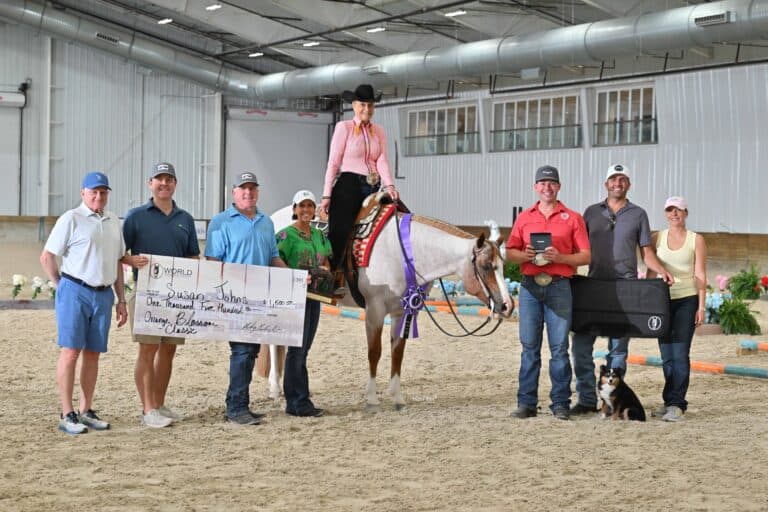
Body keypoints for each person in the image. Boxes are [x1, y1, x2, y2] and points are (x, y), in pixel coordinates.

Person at [570, 164, 673, 416]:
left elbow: (646, 253)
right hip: (594, 288)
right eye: (613, 179)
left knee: (618, 350)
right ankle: (585, 398)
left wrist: (661, 270)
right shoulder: (591, 213)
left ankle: (611, 402)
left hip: (625, 291)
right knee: (581, 346)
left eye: (623, 179)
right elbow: (579, 248)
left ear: (628, 184)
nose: (618, 183)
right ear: (606, 184)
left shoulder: (639, 214)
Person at [40, 171, 128, 435]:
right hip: (75, 290)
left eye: (103, 192)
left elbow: (117, 261)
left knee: (93, 353)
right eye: (94, 192)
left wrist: (121, 299)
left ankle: (86, 409)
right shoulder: (71, 218)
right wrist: (62, 287)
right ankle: (67, 412)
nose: (98, 197)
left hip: (103, 294)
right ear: (83, 193)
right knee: (70, 351)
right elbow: (47, 257)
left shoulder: (113, 221)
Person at [505, 165, 591, 420]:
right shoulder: (524, 218)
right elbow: (510, 252)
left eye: (551, 183)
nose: (547, 187)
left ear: (559, 187)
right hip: (530, 286)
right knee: (529, 347)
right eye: (542, 183)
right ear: (535, 187)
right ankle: (526, 403)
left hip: (559, 286)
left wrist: (561, 256)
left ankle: (561, 403)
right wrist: (525, 255)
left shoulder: (573, 217)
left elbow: (586, 255)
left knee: (559, 347)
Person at [205, 172, 288, 425]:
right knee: (241, 351)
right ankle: (236, 407)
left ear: (257, 192)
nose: (248, 193)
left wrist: (293, 278)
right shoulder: (221, 222)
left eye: (252, 188)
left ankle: (240, 403)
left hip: (259, 298)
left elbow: (273, 257)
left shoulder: (266, 222)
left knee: (250, 351)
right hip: (234, 298)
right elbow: (213, 261)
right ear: (234, 192)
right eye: (243, 188)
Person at [122, 163, 201, 428]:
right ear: (150, 183)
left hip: (176, 296)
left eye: (169, 179)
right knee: (147, 349)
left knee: (168, 350)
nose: (164, 184)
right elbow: (120, 253)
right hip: (146, 293)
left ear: (175, 184)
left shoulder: (185, 219)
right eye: (159, 179)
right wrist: (130, 261)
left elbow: (192, 255)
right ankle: (148, 410)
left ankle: (159, 402)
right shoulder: (135, 217)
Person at [320, 83, 399, 273]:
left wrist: (390, 186)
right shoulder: (343, 127)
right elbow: (333, 162)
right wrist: (326, 195)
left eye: (370, 105)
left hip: (373, 186)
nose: (367, 109)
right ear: (354, 105)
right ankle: (331, 274)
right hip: (349, 184)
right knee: (340, 229)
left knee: (398, 215)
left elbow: (382, 160)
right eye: (362, 105)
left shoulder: (379, 131)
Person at [647, 196, 707, 422]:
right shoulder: (657, 238)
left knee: (680, 354)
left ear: (686, 213)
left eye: (679, 210)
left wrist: (701, 306)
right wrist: (648, 301)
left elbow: (700, 274)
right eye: (670, 210)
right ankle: (669, 401)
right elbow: (651, 272)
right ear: (665, 213)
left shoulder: (696, 240)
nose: (674, 214)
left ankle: (677, 404)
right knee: (666, 356)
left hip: (687, 300)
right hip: (662, 302)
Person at [275, 190, 332, 417]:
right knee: (296, 350)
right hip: (295, 297)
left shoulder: (319, 235)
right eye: (302, 206)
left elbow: (325, 258)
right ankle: (296, 402)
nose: (306, 210)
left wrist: (325, 269)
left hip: (315, 296)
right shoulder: (285, 236)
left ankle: (301, 398)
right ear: (294, 209)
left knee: (304, 349)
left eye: (310, 206)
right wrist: (293, 276)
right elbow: (276, 260)